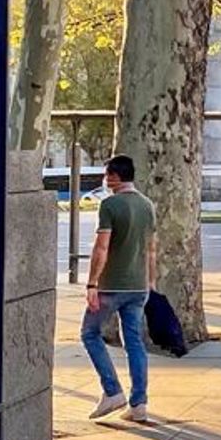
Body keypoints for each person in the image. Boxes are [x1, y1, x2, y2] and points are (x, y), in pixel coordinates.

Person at [83, 153, 157, 422]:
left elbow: (101, 248)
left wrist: (92, 283)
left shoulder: (110, 205)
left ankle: (112, 390)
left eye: (106, 175)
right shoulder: (147, 205)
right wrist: (151, 281)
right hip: (139, 286)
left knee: (89, 334)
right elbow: (151, 249)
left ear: (114, 176)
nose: (105, 179)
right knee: (134, 342)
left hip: (111, 286)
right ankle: (139, 404)